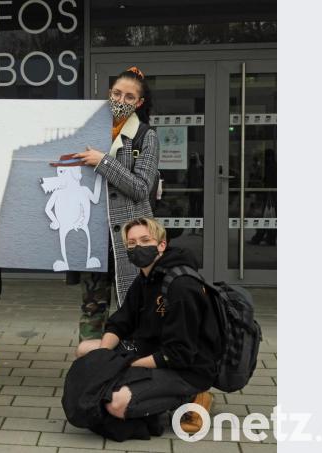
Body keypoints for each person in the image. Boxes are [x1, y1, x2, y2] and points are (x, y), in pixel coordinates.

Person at [74, 217, 220, 433]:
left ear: (161, 245)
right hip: (149, 349)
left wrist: (123, 365)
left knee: (116, 404)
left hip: (186, 368)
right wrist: (103, 357)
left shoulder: (181, 286)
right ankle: (138, 387)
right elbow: (121, 321)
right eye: (132, 243)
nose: (138, 247)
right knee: (86, 350)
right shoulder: (146, 277)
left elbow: (179, 354)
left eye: (145, 240)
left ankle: (192, 397)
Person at [72, 66, 160, 342]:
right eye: (116, 93)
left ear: (139, 103)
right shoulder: (89, 130)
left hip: (129, 237)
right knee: (91, 308)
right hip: (95, 235)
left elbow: (141, 188)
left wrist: (103, 162)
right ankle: (91, 366)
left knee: (131, 305)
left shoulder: (147, 137)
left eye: (129, 97)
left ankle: (127, 364)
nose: (121, 101)